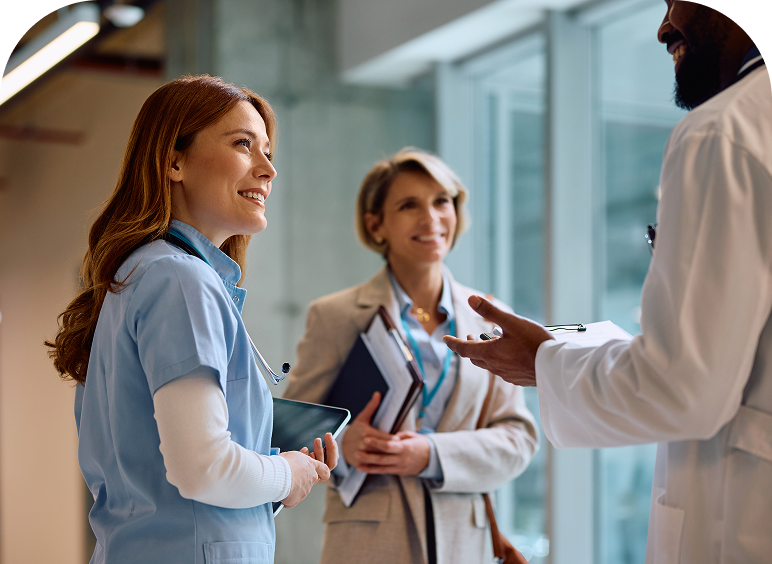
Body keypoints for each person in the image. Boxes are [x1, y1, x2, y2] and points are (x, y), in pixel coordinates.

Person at [444, 2, 772, 562]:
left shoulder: (724, 131)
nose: (665, 26)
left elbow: (683, 388)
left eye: (676, 0)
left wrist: (544, 361)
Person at [45, 75, 338, 564]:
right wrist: (287, 471)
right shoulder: (179, 279)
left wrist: (275, 483)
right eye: (244, 144)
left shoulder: (140, 274)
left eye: (268, 151)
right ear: (173, 161)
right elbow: (202, 467)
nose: (268, 170)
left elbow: (174, 480)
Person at [283, 148, 539, 564]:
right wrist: (343, 445)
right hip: (367, 546)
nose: (432, 218)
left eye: (442, 201)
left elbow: (519, 439)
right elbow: (293, 429)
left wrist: (432, 454)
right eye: (408, 205)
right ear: (375, 224)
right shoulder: (335, 316)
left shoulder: (491, 316)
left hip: (465, 545)